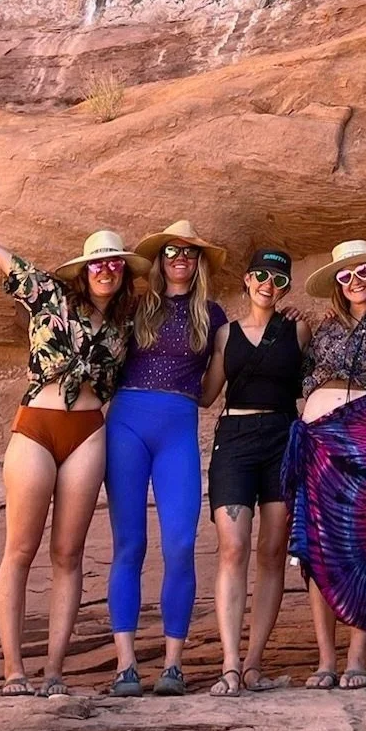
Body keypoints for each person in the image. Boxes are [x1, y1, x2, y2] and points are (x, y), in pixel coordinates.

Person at [0, 200, 146, 697]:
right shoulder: (49, 295)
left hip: (88, 433)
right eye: (99, 262)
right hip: (36, 428)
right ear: (84, 269)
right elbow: (3, 259)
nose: (107, 270)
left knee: (68, 555)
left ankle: (53, 671)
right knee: (21, 550)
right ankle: (13, 669)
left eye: (115, 263)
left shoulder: (124, 325)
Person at [105, 221, 230, 697]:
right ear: (160, 261)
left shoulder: (212, 316)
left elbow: (209, 392)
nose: (180, 258)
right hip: (128, 423)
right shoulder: (135, 307)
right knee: (129, 544)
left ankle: (173, 665)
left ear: (198, 263)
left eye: (189, 252)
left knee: (179, 544)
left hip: (178, 423)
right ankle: (126, 663)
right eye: (172, 251)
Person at [284, 240, 366, 690]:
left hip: (365, 438)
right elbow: (298, 374)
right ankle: (325, 659)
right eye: (346, 276)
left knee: (361, 546)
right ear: (338, 284)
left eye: (363, 273)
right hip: (317, 441)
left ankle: (357, 656)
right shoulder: (322, 330)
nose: (356, 282)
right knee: (316, 550)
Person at [198, 248, 310, 696]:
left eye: (278, 280)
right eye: (261, 276)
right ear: (247, 280)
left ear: (286, 288)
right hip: (236, 439)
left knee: (272, 549)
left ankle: (253, 663)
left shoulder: (298, 329)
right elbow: (207, 394)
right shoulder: (225, 334)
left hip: (281, 436)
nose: (269, 285)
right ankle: (228, 662)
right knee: (233, 546)